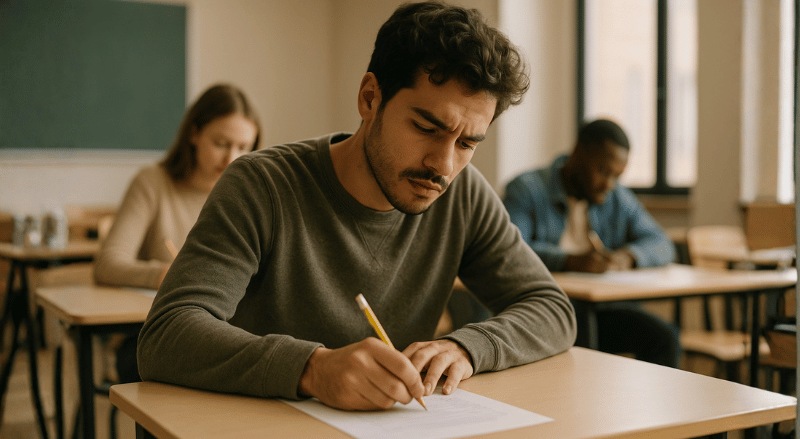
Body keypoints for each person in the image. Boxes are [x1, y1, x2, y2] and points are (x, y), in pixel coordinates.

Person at [138, 0, 576, 411]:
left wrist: (467, 347)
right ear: (370, 98)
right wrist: (313, 369)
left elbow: (551, 309)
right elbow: (167, 334)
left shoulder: (462, 194)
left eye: (467, 143)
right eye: (426, 128)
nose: (443, 165)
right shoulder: (261, 185)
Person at [93, 83, 261, 382]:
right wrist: (166, 275)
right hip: (154, 334)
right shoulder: (153, 183)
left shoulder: (246, 196)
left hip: (227, 332)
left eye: (243, 147)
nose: (231, 159)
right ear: (194, 134)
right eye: (221, 143)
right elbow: (108, 264)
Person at [502, 118, 680, 367]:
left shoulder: (616, 197)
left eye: (617, 176)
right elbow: (510, 249)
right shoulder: (527, 189)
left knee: (664, 338)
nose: (609, 183)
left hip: (599, 311)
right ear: (578, 154)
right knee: (583, 335)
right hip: (542, 311)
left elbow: (662, 243)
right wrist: (569, 261)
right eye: (603, 171)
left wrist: (628, 256)